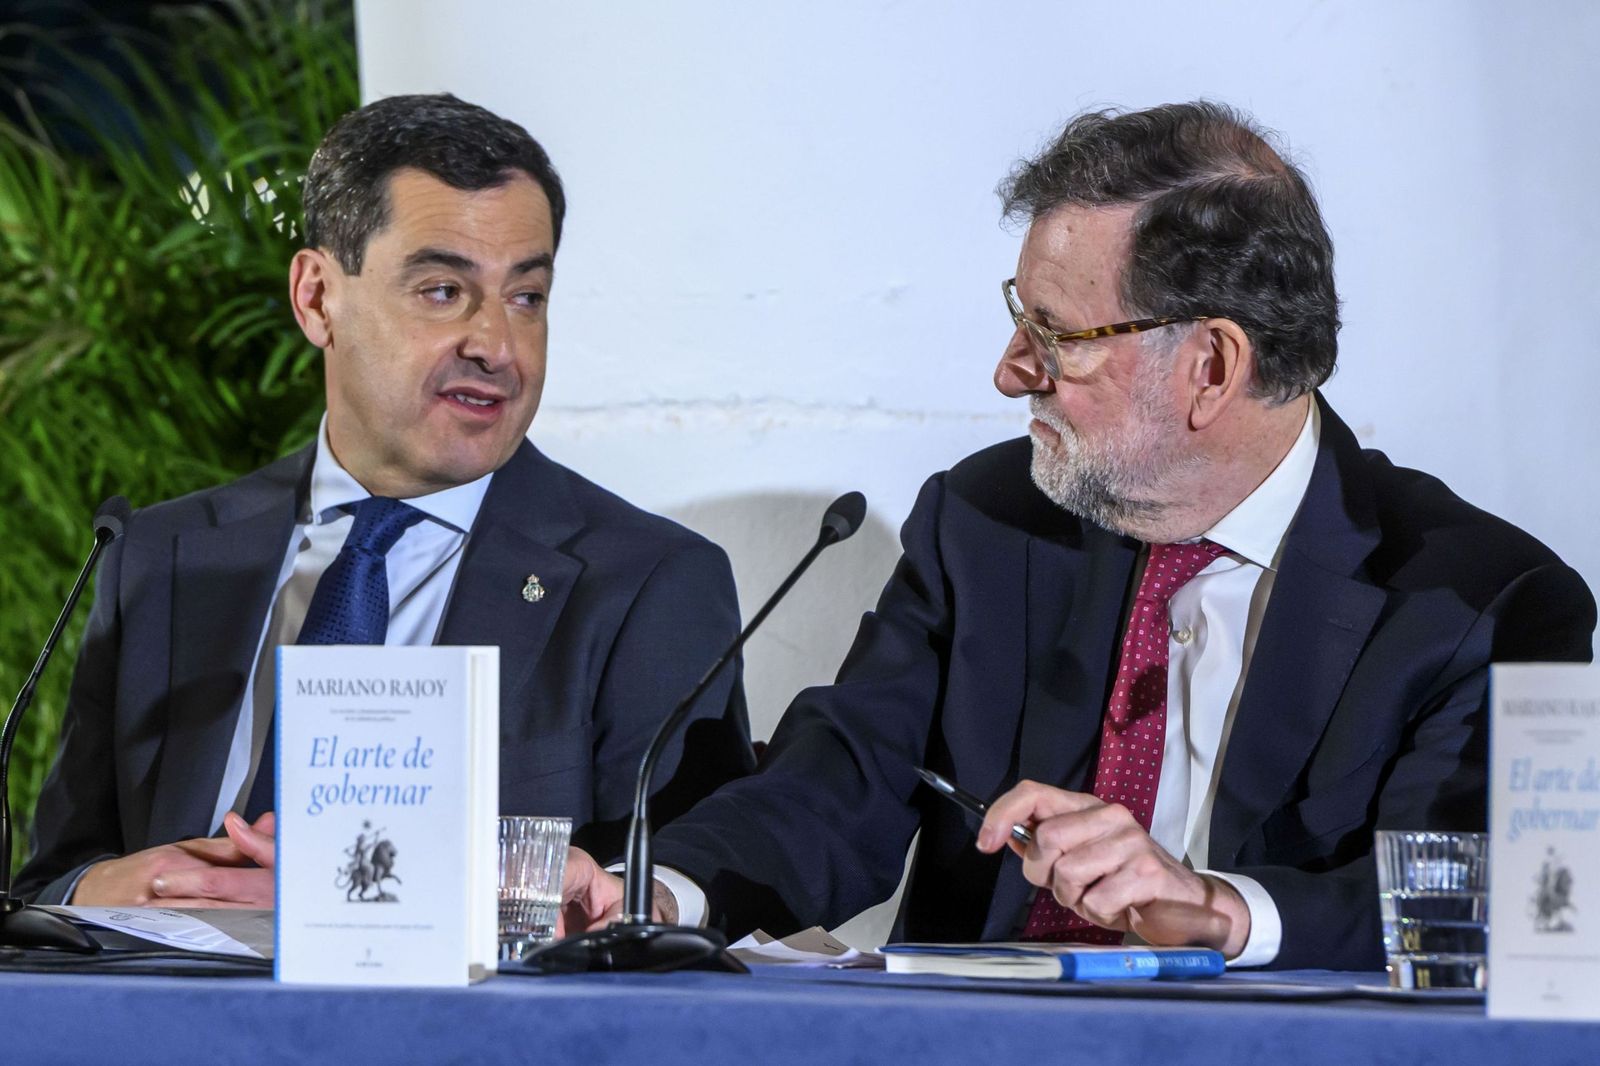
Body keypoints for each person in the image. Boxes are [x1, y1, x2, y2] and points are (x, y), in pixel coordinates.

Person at [560, 102, 1596, 969]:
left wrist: (1222, 908)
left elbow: (1477, 900)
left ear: (1211, 368)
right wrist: (653, 891)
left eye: (1055, 334)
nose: (1010, 369)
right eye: (1021, 317)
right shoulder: (988, 522)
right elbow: (842, 778)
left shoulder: (1476, 600)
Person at [17, 94, 754, 907]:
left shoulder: (647, 585)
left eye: (527, 297)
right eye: (443, 291)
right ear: (317, 298)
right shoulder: (159, 557)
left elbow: (665, 913)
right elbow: (51, 881)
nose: (496, 346)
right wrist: (103, 887)